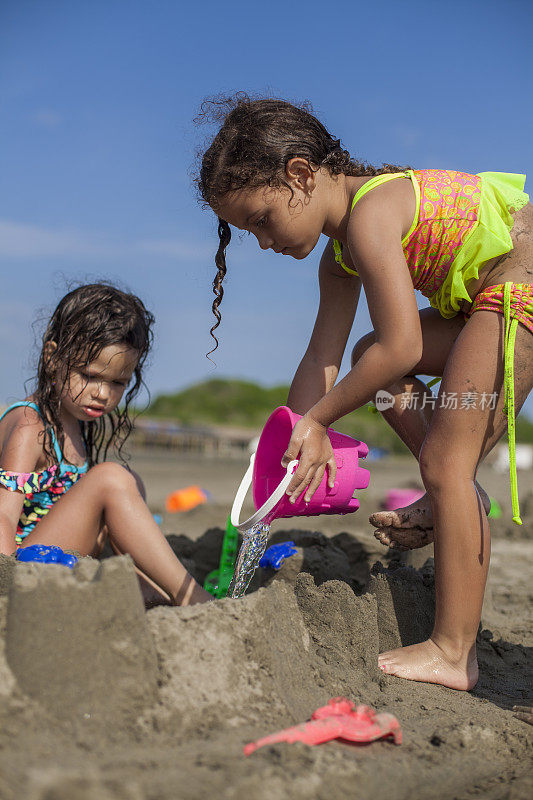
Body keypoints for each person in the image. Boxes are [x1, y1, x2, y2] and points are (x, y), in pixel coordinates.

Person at [196, 94, 533, 689]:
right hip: (488, 298)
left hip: (517, 289)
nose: (262, 243)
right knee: (368, 365)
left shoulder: (373, 215)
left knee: (442, 458)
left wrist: (321, 420)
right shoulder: (339, 259)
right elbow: (322, 357)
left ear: (300, 174)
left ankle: (454, 651)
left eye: (261, 220)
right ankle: (453, 497)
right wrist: (291, 435)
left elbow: (402, 345)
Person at [0, 283, 211, 606]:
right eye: (89, 375)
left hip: (57, 559)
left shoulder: (72, 420)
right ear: (53, 356)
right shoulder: (30, 426)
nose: (102, 393)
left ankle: (145, 586)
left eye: (117, 382)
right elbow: (2, 515)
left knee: (128, 481)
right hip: (22, 572)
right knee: (111, 479)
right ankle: (191, 596)